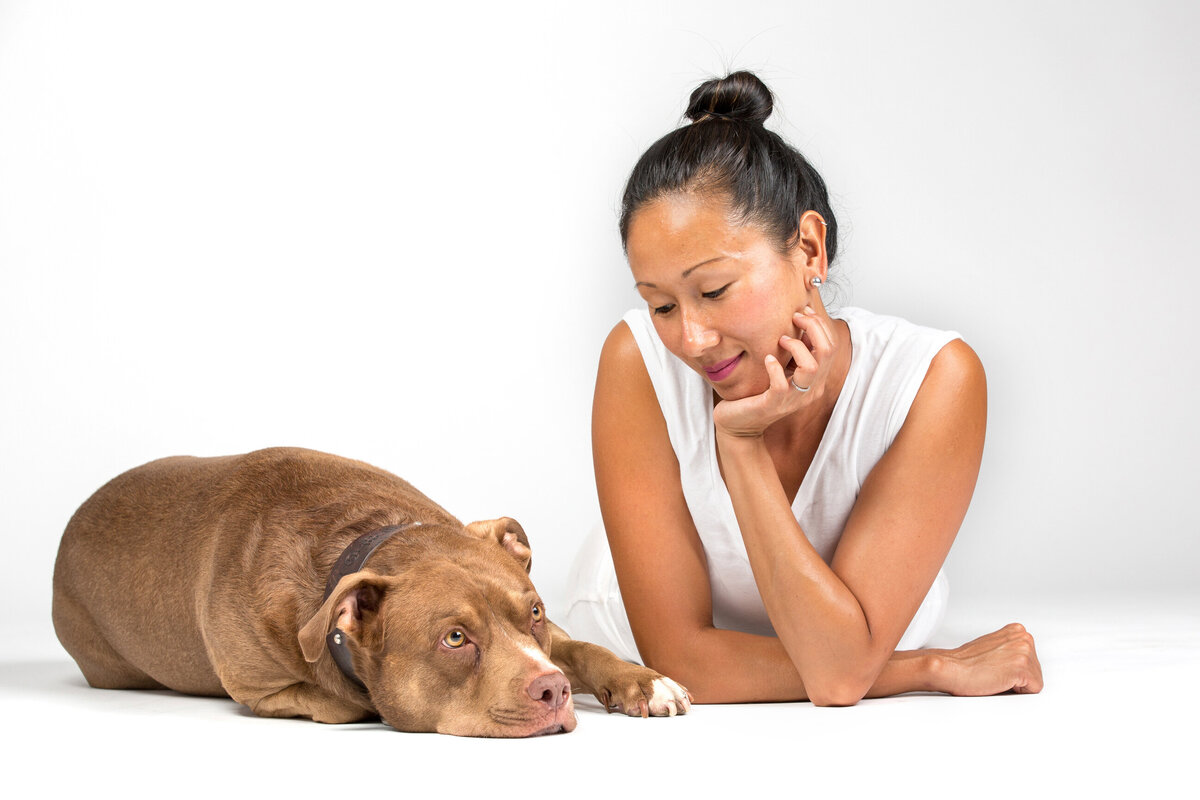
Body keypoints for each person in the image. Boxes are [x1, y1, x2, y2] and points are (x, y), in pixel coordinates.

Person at [562, 71, 1043, 705]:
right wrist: (923, 667)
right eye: (661, 305)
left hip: (838, 655)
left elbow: (839, 669)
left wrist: (742, 446)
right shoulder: (637, 361)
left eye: (713, 291)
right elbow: (686, 659)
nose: (692, 340)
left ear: (810, 248)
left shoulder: (933, 380)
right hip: (626, 658)